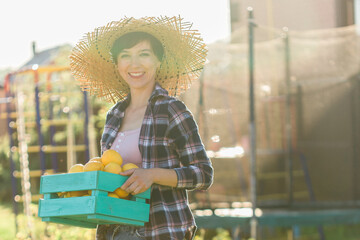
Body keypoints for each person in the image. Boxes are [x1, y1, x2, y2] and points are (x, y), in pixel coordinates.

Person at [70, 16, 213, 240]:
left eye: (143, 54)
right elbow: (112, 177)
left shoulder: (172, 110)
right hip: (116, 231)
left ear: (158, 61)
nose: (134, 64)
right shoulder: (113, 116)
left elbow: (203, 174)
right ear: (117, 65)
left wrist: (153, 175)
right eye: (125, 55)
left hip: (160, 230)